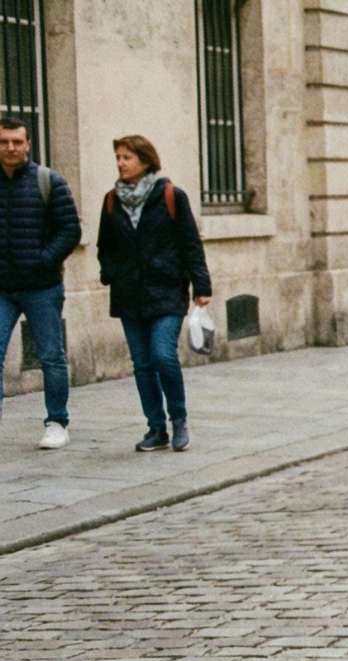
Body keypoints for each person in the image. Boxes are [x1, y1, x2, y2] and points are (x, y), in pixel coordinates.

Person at [94, 134, 211, 453]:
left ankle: (179, 420)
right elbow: (105, 245)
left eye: (126, 157)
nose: (120, 163)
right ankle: (155, 428)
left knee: (162, 354)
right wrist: (110, 273)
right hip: (128, 294)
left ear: (145, 161)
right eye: (117, 157)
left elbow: (190, 242)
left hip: (167, 290)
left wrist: (201, 285)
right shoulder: (111, 200)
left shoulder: (171, 195)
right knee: (142, 364)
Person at [0, 114, 81, 449]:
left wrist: (43, 261)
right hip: (1, 288)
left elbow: (70, 230)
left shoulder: (49, 181)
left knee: (50, 356)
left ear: (28, 144)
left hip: (42, 287)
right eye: (4, 142)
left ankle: (56, 422)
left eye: (17, 141)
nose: (10, 147)